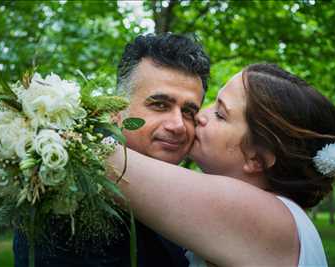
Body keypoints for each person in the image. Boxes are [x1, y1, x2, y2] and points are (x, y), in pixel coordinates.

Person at [108, 63, 335, 267]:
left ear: (256, 159)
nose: (200, 116)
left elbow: (105, 159)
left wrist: (81, 112)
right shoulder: (283, 218)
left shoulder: (265, 218)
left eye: (220, 114)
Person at [13, 33, 210, 267]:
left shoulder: (187, 194)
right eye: (159, 105)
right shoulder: (71, 197)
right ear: (117, 113)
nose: (178, 125)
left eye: (189, 111)